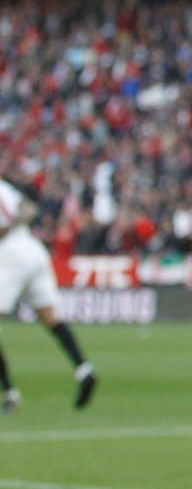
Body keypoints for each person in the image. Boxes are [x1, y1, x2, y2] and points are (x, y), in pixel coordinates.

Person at [0, 177, 97, 413]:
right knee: (51, 317)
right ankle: (84, 370)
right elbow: (29, 209)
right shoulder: (4, 186)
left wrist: (6, 229)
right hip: (33, 249)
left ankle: (10, 393)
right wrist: (14, 224)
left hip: (10, 254)